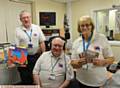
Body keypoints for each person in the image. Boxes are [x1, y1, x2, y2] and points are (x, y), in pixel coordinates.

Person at [70, 15, 114, 88]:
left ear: (92, 26)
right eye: (82, 25)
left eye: (87, 25)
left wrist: (102, 62)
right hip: (81, 79)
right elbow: (72, 62)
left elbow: (111, 59)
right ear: (79, 28)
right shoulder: (76, 42)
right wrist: (78, 63)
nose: (85, 27)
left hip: (98, 81)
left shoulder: (101, 38)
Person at [15, 10, 46, 84]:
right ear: (20, 20)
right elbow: (17, 46)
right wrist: (19, 62)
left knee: (37, 77)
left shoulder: (36, 28)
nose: (26, 19)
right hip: (24, 57)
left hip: (36, 56)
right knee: (25, 78)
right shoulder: (17, 30)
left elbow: (42, 42)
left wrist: (44, 55)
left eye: (27, 17)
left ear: (30, 18)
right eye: (23, 18)